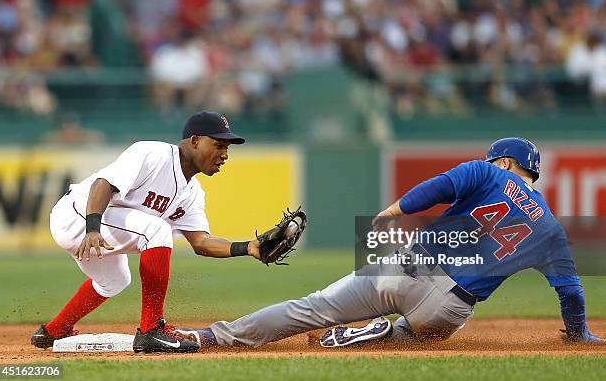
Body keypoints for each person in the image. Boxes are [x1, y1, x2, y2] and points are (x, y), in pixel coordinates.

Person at [176, 137, 604, 349]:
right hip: (450, 307)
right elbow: (570, 290)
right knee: (421, 336)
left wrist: (394, 211)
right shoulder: (550, 228)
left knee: (310, 309)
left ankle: (216, 338)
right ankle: (382, 332)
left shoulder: (489, 172)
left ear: (506, 163)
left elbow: (439, 186)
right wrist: (578, 333)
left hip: (407, 268)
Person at [31, 111, 265, 353]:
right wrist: (92, 228)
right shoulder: (154, 154)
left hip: (103, 228)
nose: (224, 154)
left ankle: (53, 331)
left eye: (227, 148)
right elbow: (103, 184)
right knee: (157, 230)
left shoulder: (193, 193)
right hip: (76, 217)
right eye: (218, 145)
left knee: (115, 281)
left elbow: (202, 242)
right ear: (195, 141)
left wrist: (247, 247)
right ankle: (152, 329)